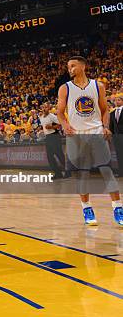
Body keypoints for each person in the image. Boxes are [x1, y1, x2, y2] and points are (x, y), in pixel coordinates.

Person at [56, 56, 122, 227]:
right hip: (76, 135)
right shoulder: (65, 88)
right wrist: (64, 125)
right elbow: (60, 112)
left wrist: (106, 126)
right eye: (68, 66)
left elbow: (105, 110)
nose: (70, 69)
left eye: (73, 65)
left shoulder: (98, 86)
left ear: (83, 66)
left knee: (107, 170)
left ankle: (118, 208)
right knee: (82, 173)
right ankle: (87, 209)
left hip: (96, 132)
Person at [38, 102, 66, 179]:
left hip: (55, 136)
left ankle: (68, 172)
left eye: (46, 107)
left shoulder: (52, 116)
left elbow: (61, 124)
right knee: (50, 157)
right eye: (43, 107)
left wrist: (51, 127)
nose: (44, 109)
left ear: (49, 108)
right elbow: (44, 126)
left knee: (59, 155)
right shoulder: (41, 117)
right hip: (48, 137)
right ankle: (58, 173)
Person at [109, 95, 123, 177]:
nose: (117, 102)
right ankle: (121, 172)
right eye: (115, 100)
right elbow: (111, 126)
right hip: (117, 138)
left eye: (119, 100)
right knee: (119, 155)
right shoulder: (112, 113)